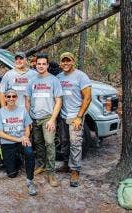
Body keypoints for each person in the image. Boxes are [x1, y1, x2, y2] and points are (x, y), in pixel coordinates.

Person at [25, 53, 63, 187]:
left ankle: (51, 172)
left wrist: (53, 119)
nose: (41, 66)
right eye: (38, 64)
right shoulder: (32, 81)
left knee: (50, 143)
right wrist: (29, 118)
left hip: (48, 118)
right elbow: (28, 100)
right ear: (35, 65)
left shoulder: (54, 80)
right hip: (35, 118)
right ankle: (41, 165)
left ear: (47, 65)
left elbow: (58, 100)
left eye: (43, 64)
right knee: (38, 143)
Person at [56, 52, 92, 187]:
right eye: (63, 61)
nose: (65, 63)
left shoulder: (81, 76)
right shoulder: (59, 77)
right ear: (60, 63)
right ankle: (66, 164)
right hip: (63, 116)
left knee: (76, 143)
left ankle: (75, 170)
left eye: (68, 61)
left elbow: (88, 97)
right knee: (64, 142)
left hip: (75, 116)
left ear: (73, 62)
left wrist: (79, 116)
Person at [0, 89, 36, 195]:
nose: (11, 98)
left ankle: (30, 179)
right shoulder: (0, 112)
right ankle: (17, 159)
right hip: (7, 143)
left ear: (16, 98)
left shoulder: (22, 110)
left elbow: (27, 128)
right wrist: (18, 139)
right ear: (5, 98)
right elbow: (1, 133)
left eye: (13, 96)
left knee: (30, 153)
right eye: (8, 96)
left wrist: (25, 137)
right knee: (12, 174)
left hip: (22, 140)